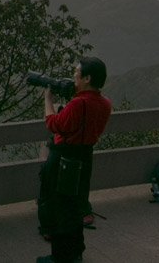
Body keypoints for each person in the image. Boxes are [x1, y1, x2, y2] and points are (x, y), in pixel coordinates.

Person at [36, 57, 112, 263]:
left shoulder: (79, 103)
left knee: (59, 208)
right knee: (75, 207)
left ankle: (59, 257)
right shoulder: (104, 103)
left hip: (64, 158)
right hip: (85, 157)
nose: (73, 76)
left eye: (76, 72)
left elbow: (53, 124)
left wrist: (48, 100)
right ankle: (76, 252)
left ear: (87, 78)